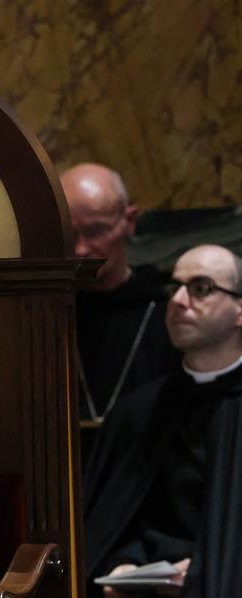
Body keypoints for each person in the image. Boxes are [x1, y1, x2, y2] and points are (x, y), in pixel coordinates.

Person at [84, 244, 242, 598]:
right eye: (175, 286)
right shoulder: (141, 410)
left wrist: (202, 571)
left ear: (240, 311)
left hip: (228, 597)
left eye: (201, 287)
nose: (177, 300)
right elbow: (116, 520)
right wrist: (124, 566)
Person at [61, 164, 178, 448]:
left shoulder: (167, 310)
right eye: (69, 232)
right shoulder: (48, 313)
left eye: (96, 231)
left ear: (129, 220)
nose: (81, 250)